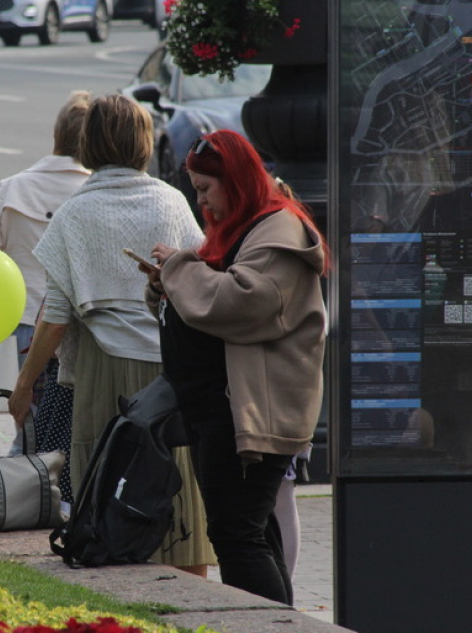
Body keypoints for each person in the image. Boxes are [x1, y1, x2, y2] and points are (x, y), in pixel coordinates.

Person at [7, 94, 215, 576]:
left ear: (89, 143)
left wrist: (24, 386)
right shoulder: (171, 200)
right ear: (143, 142)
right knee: (177, 500)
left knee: (111, 503)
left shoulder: (75, 213)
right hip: (171, 370)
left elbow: (55, 316)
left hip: (106, 373)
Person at [142, 130, 328, 604]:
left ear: (238, 180)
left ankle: (265, 624)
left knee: (236, 537)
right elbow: (207, 290)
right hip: (220, 410)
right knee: (252, 533)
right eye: (196, 190)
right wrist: (167, 287)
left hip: (248, 412)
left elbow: (245, 300)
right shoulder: (241, 224)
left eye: (206, 189)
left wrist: (178, 271)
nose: (201, 202)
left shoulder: (278, 229)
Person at [0, 90, 91, 457]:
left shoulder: (10, 188)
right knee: (74, 423)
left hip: (25, 322)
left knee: (30, 421)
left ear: (56, 135)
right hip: (84, 326)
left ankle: (24, 491)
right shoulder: (94, 191)